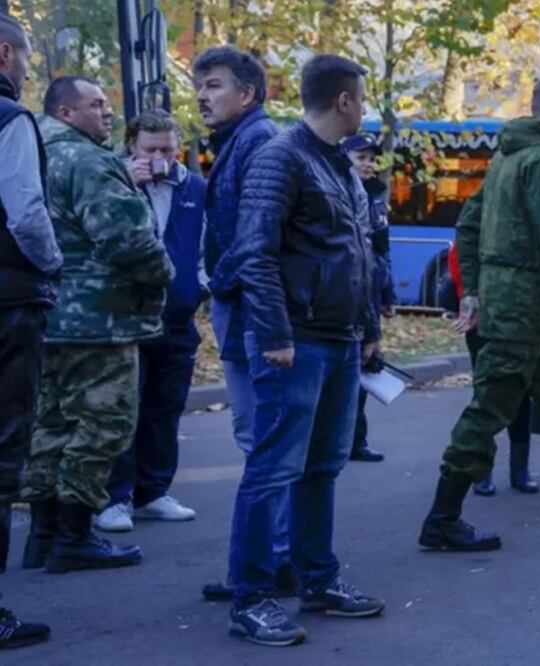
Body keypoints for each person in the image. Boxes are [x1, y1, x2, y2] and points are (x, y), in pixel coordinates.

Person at [417, 75, 540, 553]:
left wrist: (475, 291)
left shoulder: (505, 158)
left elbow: (467, 224)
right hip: (526, 309)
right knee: (490, 410)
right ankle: (442, 518)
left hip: (523, 313)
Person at [227, 54, 385, 646]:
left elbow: (357, 252)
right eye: (361, 99)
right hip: (295, 342)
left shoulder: (339, 165)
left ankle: (318, 580)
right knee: (272, 470)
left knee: (321, 468)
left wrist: (368, 326)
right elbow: (255, 252)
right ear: (344, 101)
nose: (364, 109)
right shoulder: (281, 157)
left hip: (339, 340)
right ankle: (251, 598)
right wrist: (273, 335)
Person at [22, 76, 174, 574]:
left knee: (53, 423)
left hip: (44, 316)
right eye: (97, 104)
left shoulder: (28, 150)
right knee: (104, 425)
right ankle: (75, 536)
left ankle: (43, 534)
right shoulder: (87, 160)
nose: (108, 113)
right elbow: (127, 239)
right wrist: (164, 276)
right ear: (67, 113)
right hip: (98, 320)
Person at [192, 46, 293, 601]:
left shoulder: (258, 142)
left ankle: (269, 564)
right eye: (200, 86)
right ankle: (273, 558)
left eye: (213, 85)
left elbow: (254, 239)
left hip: (254, 315)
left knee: (262, 442)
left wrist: (216, 280)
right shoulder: (241, 142)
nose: (202, 96)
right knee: (258, 439)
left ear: (247, 93)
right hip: (245, 314)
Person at [94, 110, 206, 532]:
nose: (161, 157)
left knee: (165, 407)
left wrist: (199, 288)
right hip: (126, 316)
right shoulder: (114, 183)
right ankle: (114, 498)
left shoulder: (194, 187)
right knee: (125, 407)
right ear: (131, 147)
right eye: (151, 149)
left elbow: (205, 244)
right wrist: (129, 186)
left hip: (177, 317)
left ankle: (153, 491)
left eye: (168, 149)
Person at [0, 14, 56, 649]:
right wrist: (52, 265)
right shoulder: (10, 121)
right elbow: (26, 211)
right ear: (4, 52)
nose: (25, 70)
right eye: (24, 58)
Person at [444, 241, 540, 497]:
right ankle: (481, 469)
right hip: (483, 321)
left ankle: (520, 469)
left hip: (518, 320)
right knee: (487, 395)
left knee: (521, 393)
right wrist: (472, 299)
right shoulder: (479, 216)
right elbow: (459, 260)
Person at [342, 133, 396, 463]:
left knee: (365, 363)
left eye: (371, 159)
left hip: (370, 294)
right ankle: (339, 438)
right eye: (360, 158)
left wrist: (388, 294)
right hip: (345, 292)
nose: (367, 164)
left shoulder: (376, 197)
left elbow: (382, 250)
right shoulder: (337, 191)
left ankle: (355, 440)